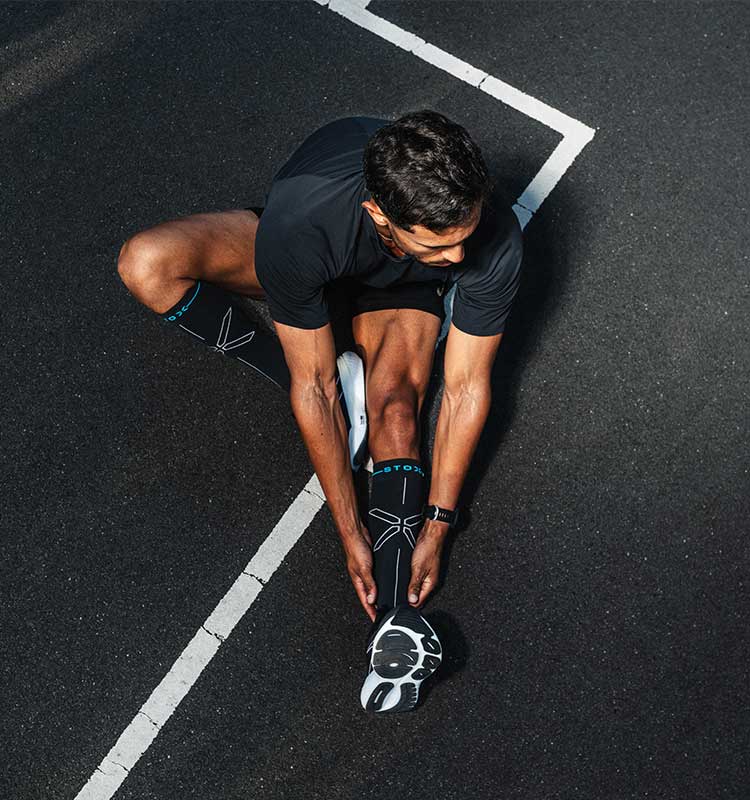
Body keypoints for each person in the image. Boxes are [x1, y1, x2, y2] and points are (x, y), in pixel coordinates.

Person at [116, 110, 524, 713]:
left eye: (468, 233)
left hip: (401, 293)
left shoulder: (489, 237)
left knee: (397, 417)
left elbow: (466, 387)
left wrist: (438, 525)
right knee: (145, 263)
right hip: (312, 259)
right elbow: (313, 389)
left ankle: (396, 622)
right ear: (379, 215)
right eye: (441, 244)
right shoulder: (305, 221)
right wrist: (348, 529)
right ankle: (341, 373)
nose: (462, 254)